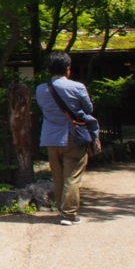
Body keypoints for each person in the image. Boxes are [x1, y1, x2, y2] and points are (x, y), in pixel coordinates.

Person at [35, 51, 101, 225]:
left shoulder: (41, 89)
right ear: (68, 68)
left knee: (57, 175)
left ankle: (61, 209)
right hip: (73, 135)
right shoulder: (77, 87)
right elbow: (88, 109)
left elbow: (43, 108)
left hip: (50, 137)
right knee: (72, 175)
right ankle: (69, 214)